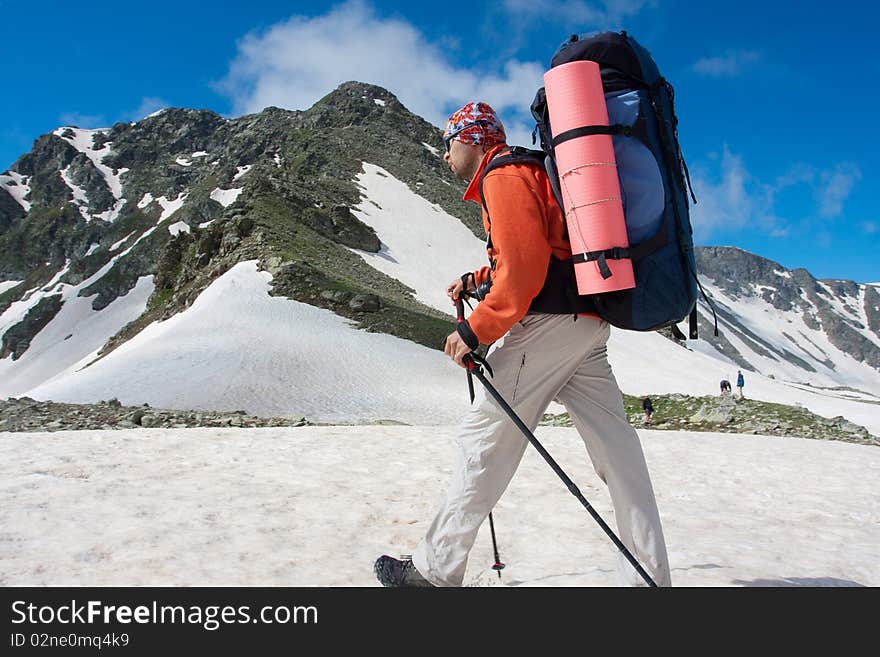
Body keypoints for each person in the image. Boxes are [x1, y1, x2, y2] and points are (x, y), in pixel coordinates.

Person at [374, 102, 670, 587]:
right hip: (588, 325)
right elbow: (543, 250)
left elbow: (528, 269)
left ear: (472, 138)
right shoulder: (531, 171)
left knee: (482, 443)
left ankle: (433, 573)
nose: (445, 155)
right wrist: (479, 278)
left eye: (448, 142)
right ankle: (649, 581)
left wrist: (476, 330)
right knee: (619, 459)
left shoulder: (502, 176)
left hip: (548, 328)